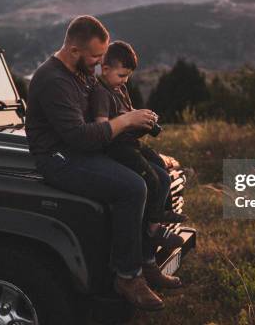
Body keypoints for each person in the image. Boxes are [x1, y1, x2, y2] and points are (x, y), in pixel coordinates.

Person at [25, 16, 173, 311]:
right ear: (74, 50)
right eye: (94, 57)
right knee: (133, 187)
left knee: (155, 174)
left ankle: (146, 261)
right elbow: (81, 138)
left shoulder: (82, 72)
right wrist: (126, 120)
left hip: (82, 150)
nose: (98, 63)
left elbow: (101, 119)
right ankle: (127, 276)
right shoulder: (53, 80)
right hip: (58, 158)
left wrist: (137, 123)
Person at [89, 41, 188, 285]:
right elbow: (102, 126)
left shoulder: (119, 89)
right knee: (151, 179)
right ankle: (154, 229)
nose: (124, 80)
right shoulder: (101, 92)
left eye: (127, 76)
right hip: (117, 147)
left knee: (164, 173)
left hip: (131, 142)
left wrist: (144, 120)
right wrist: (127, 121)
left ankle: (157, 219)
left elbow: (129, 111)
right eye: (121, 75)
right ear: (105, 67)